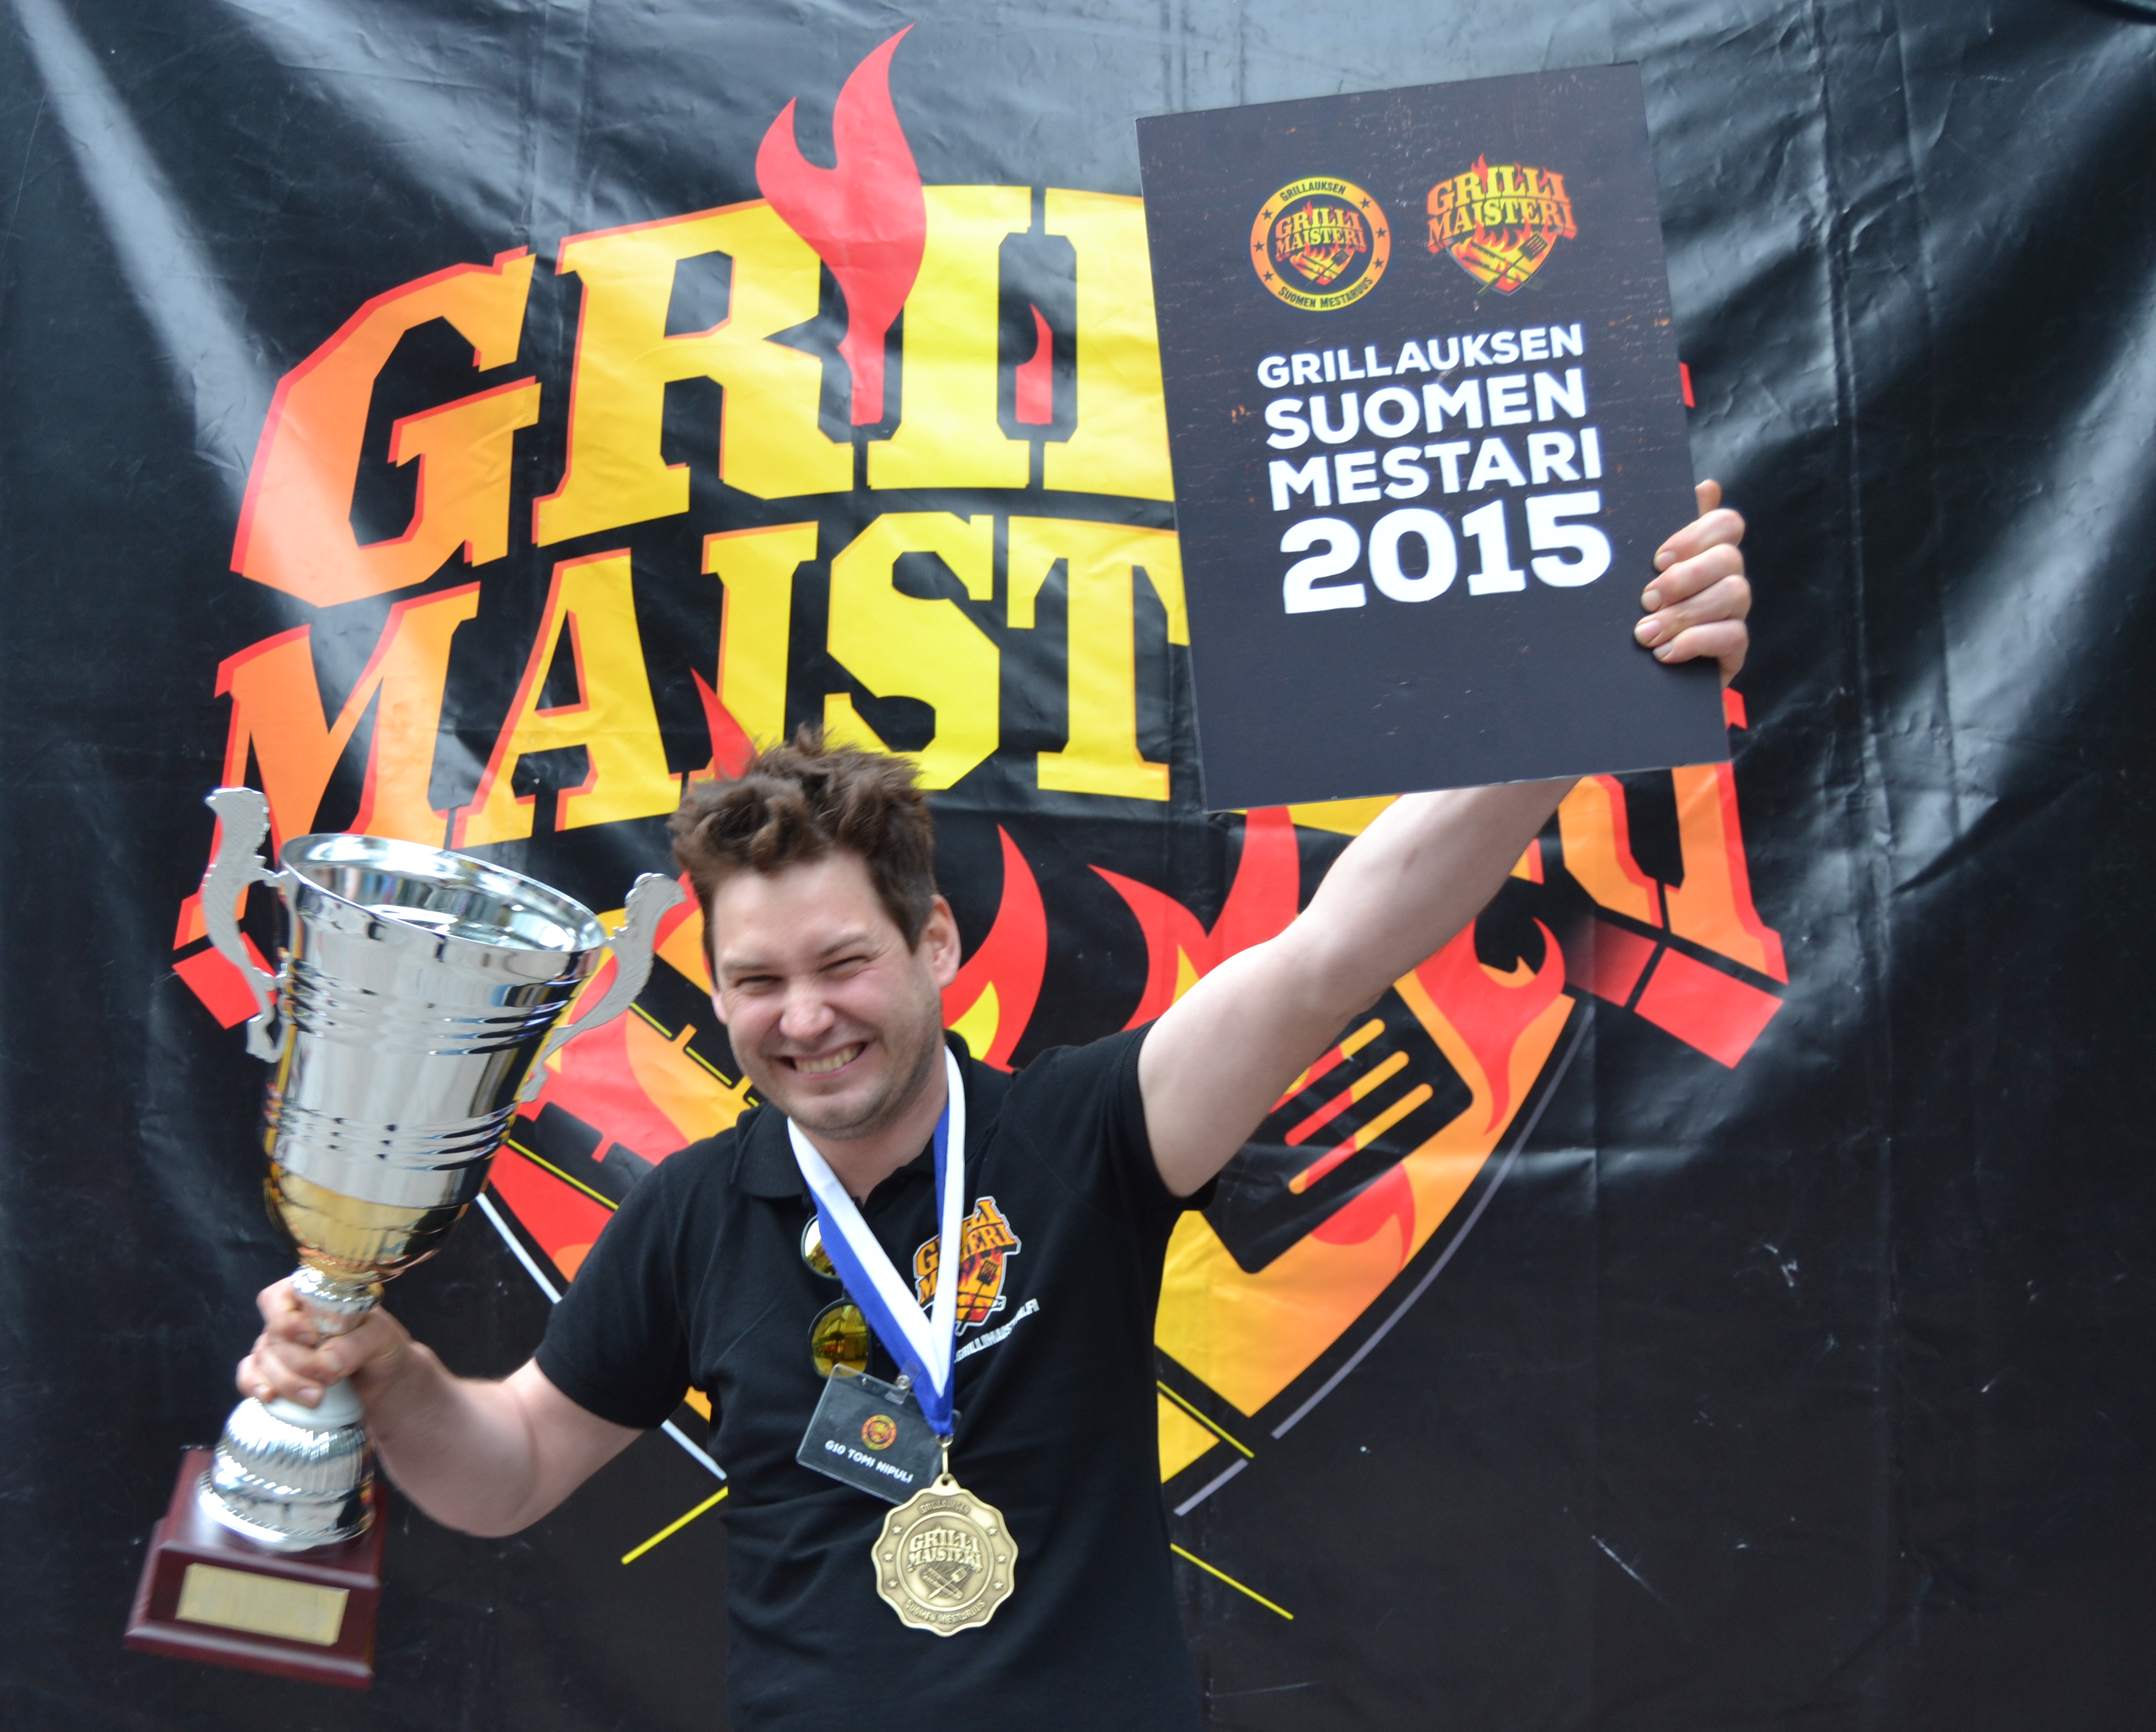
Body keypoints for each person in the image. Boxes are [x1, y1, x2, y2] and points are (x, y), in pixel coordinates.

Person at [238, 484, 1752, 1726]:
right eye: (757, 981)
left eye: (843, 963)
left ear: (937, 948)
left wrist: (1596, 678)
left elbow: (1342, 945)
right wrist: (389, 1367)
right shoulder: (694, 1213)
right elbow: (508, 1472)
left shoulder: (1092, 1133)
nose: (803, 1016)